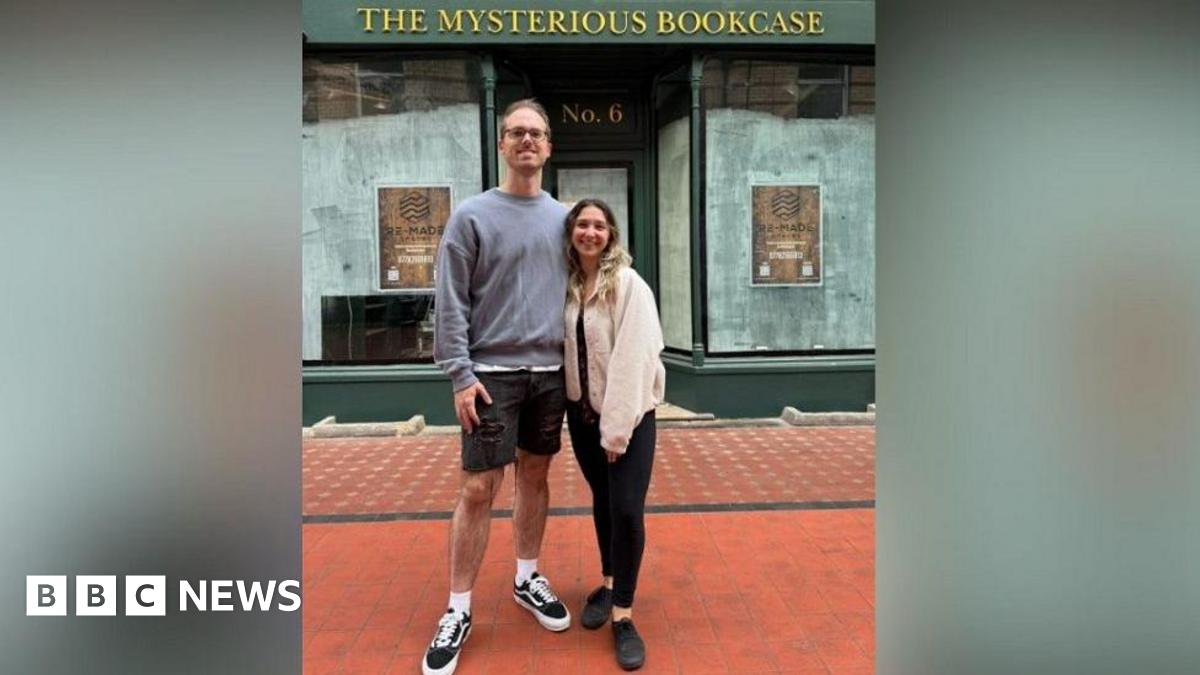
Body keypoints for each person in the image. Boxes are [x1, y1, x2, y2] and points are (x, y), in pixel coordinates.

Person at [424, 99, 571, 675]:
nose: (528, 141)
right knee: (479, 489)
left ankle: (527, 576)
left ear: (549, 146)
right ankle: (458, 607)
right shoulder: (471, 216)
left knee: (535, 476)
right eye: (517, 133)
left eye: (537, 132)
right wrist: (460, 374)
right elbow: (452, 301)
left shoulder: (564, 219)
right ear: (503, 145)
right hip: (491, 377)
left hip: (550, 375)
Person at [562, 198, 665, 671]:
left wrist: (616, 431)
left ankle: (623, 612)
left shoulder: (627, 284)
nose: (590, 232)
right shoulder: (568, 285)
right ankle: (607, 580)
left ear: (611, 234)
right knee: (602, 500)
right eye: (582, 224)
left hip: (627, 419)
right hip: (582, 415)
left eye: (599, 225)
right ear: (571, 233)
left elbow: (634, 359)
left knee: (626, 509)